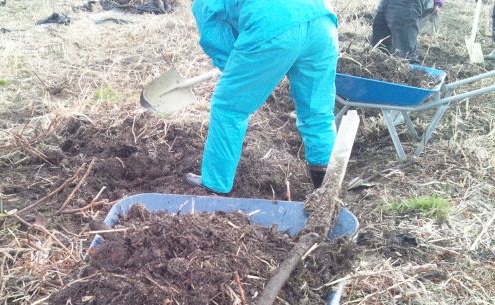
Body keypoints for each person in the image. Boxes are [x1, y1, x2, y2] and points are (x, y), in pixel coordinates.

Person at [185, 0, 339, 193]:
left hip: (273, 23)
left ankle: (215, 183)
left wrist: (230, 69)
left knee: (228, 106)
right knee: (317, 114)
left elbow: (217, 39)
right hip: (322, 21)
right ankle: (327, 193)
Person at [370, 0, 444, 63]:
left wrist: (438, 2)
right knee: (378, 51)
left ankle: (410, 73)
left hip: (406, 4)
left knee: (405, 56)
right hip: (386, 2)